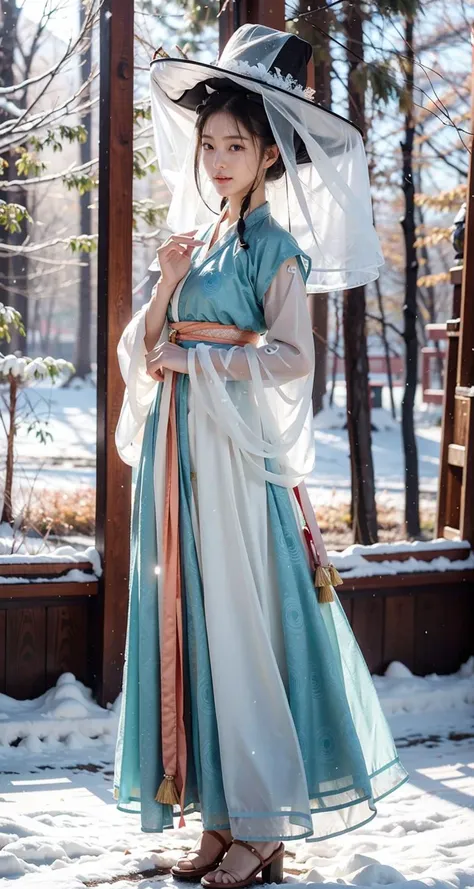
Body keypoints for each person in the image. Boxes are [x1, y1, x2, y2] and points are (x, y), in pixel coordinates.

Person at [113, 24, 408, 889]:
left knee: (242, 630)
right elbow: (144, 346)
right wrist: (166, 285)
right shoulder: (198, 241)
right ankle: (218, 815)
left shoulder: (277, 249)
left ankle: (265, 823)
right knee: (197, 625)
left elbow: (292, 359)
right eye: (208, 143)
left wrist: (198, 358)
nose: (216, 159)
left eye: (235, 144)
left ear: (270, 155)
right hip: (182, 454)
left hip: (234, 460)